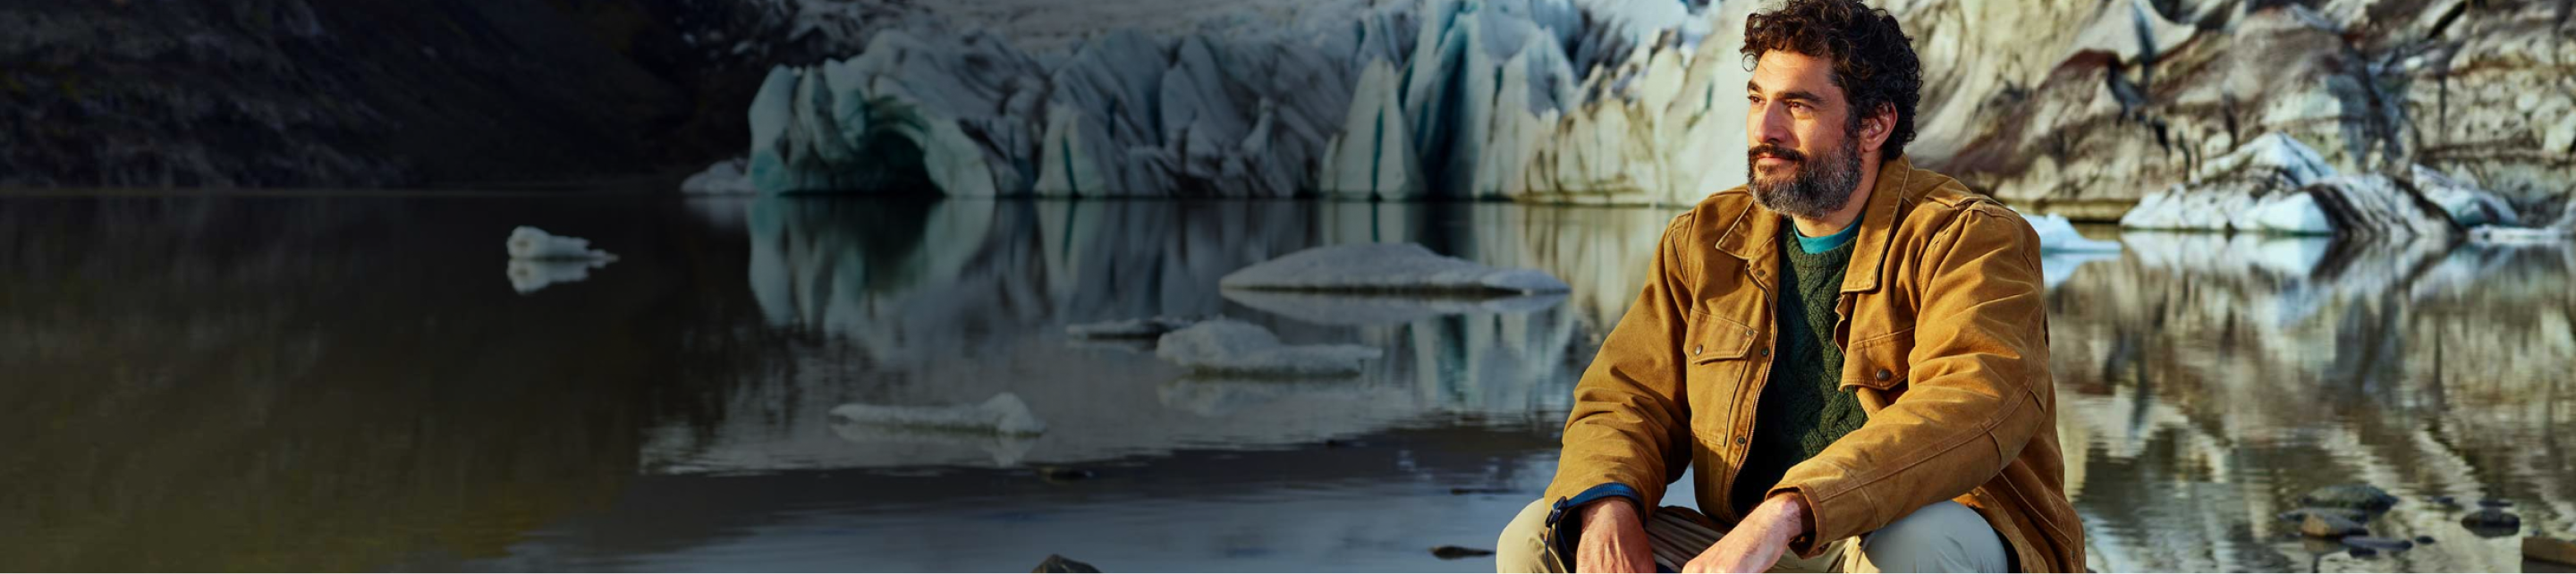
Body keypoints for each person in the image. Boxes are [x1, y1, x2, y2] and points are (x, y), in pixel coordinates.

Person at [1495, 1, 2084, 572]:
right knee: (1541, 537)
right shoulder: (1706, 239)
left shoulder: (1967, 238)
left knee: (1915, 543)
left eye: (1798, 105)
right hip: (1758, 543)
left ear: (1875, 124)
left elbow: (1971, 402)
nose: (1765, 129)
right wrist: (1607, 507)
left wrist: (1794, 509)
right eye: (1757, 99)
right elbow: (1627, 398)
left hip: (1896, 536)